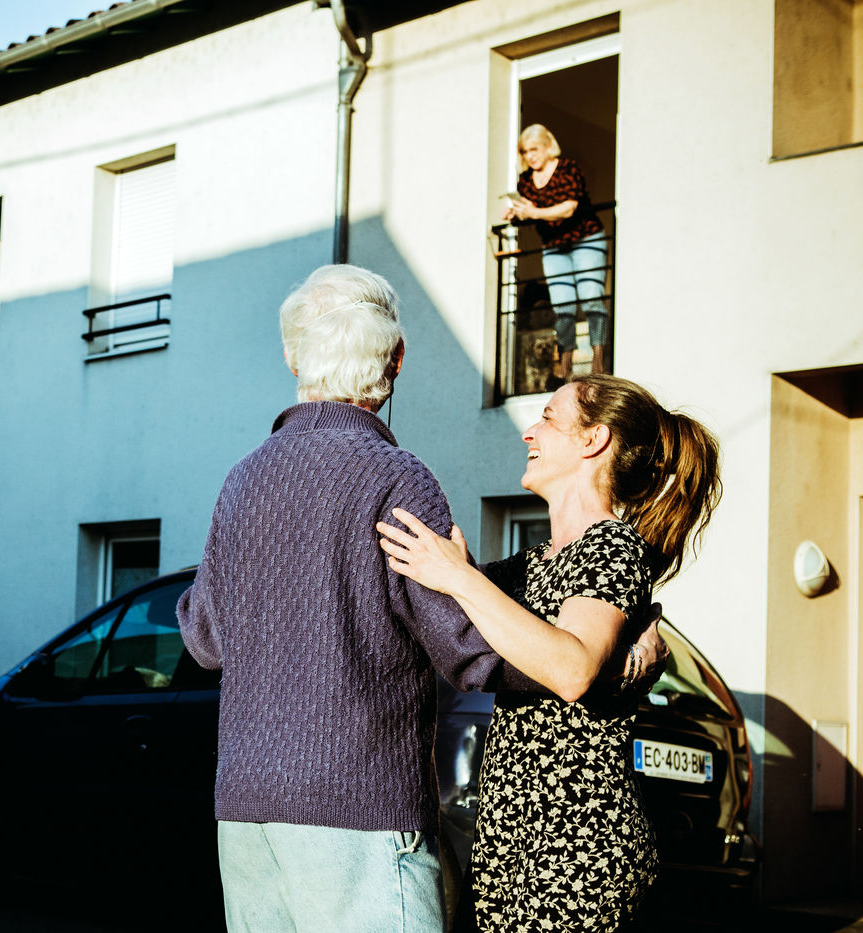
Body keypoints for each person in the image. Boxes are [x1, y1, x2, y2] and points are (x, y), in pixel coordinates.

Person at [176, 265, 662, 932]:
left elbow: (205, 639)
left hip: (244, 808)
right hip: (359, 808)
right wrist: (607, 664)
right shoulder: (397, 478)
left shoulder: (243, 480)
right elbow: (468, 649)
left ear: (292, 357)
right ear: (396, 359)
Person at [377, 374, 722, 932]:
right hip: (513, 849)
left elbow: (572, 668)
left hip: (576, 853)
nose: (529, 432)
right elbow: (448, 620)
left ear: (593, 440)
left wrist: (460, 578)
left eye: (548, 418)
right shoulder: (532, 564)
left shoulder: (612, 546)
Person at [505, 123, 610, 379]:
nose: (530, 156)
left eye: (534, 149)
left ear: (548, 146)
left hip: (586, 240)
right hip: (553, 247)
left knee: (591, 297)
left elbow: (568, 208)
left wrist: (533, 213)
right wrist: (515, 214)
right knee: (563, 305)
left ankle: (598, 361)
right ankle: (565, 365)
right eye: (525, 151)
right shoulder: (526, 180)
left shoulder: (568, 169)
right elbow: (527, 209)